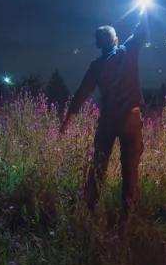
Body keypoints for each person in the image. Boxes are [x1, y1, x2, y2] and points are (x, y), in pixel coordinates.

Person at [59, 13, 147, 218]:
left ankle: (89, 210)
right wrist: (145, 9)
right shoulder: (129, 49)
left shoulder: (96, 66)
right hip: (132, 120)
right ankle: (128, 216)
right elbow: (142, 28)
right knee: (130, 170)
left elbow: (81, 94)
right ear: (116, 40)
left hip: (108, 121)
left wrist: (67, 121)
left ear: (98, 45)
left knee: (98, 166)